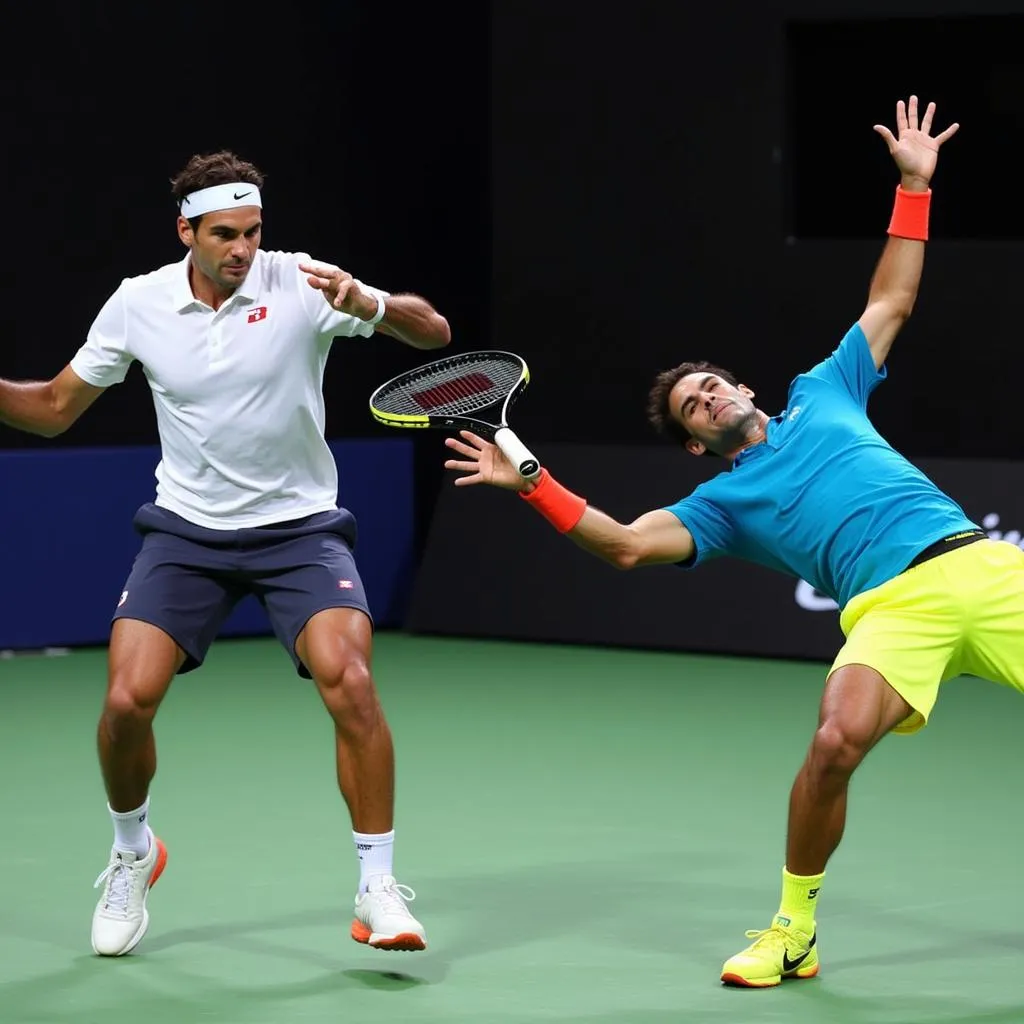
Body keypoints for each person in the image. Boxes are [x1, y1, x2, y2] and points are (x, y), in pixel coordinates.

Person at [442, 96, 1015, 988]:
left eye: (711, 384)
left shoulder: (825, 391)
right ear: (693, 444)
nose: (707, 397)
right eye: (691, 407)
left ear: (744, 388)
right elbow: (625, 545)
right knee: (833, 743)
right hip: (889, 609)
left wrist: (912, 187)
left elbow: (892, 298)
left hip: (974, 564)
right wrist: (534, 484)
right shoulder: (721, 505)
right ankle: (794, 932)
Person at [0, 151, 450, 956]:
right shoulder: (139, 302)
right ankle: (134, 851)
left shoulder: (303, 283)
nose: (243, 249)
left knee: (350, 680)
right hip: (186, 533)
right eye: (224, 235)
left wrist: (370, 301)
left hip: (300, 529)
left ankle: (377, 884)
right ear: (187, 232)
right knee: (125, 704)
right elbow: (55, 410)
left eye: (253, 232)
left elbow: (434, 333)